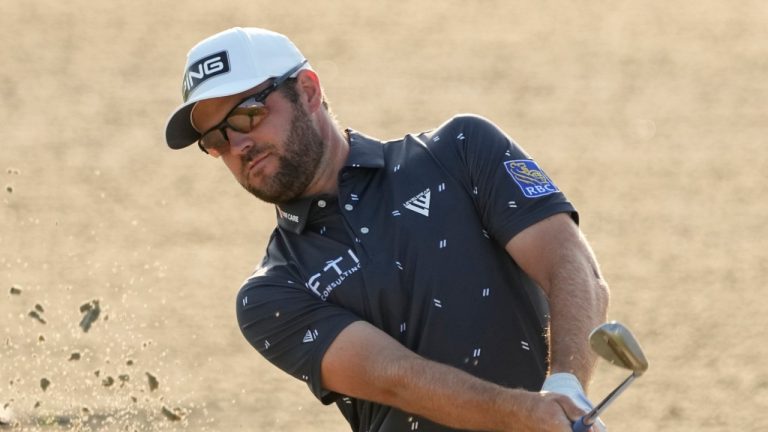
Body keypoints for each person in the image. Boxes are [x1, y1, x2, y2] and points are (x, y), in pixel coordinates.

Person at [165, 27, 610, 432]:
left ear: (309, 91)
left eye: (247, 115)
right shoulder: (271, 293)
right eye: (216, 140)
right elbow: (396, 379)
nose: (236, 145)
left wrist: (567, 387)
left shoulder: (461, 151)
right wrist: (530, 415)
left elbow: (572, 267)